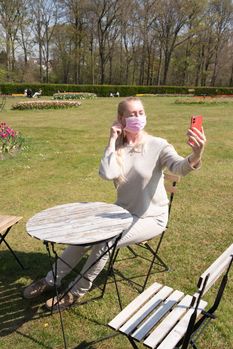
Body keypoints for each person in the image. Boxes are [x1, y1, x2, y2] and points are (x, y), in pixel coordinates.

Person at [23, 97, 206, 311]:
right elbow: (108, 173)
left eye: (140, 112)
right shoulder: (117, 149)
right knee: (84, 236)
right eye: (132, 114)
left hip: (151, 217)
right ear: (121, 119)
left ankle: (75, 292)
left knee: (104, 242)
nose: (138, 117)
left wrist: (196, 153)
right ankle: (51, 279)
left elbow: (179, 167)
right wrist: (112, 140)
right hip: (122, 214)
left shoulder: (158, 145)